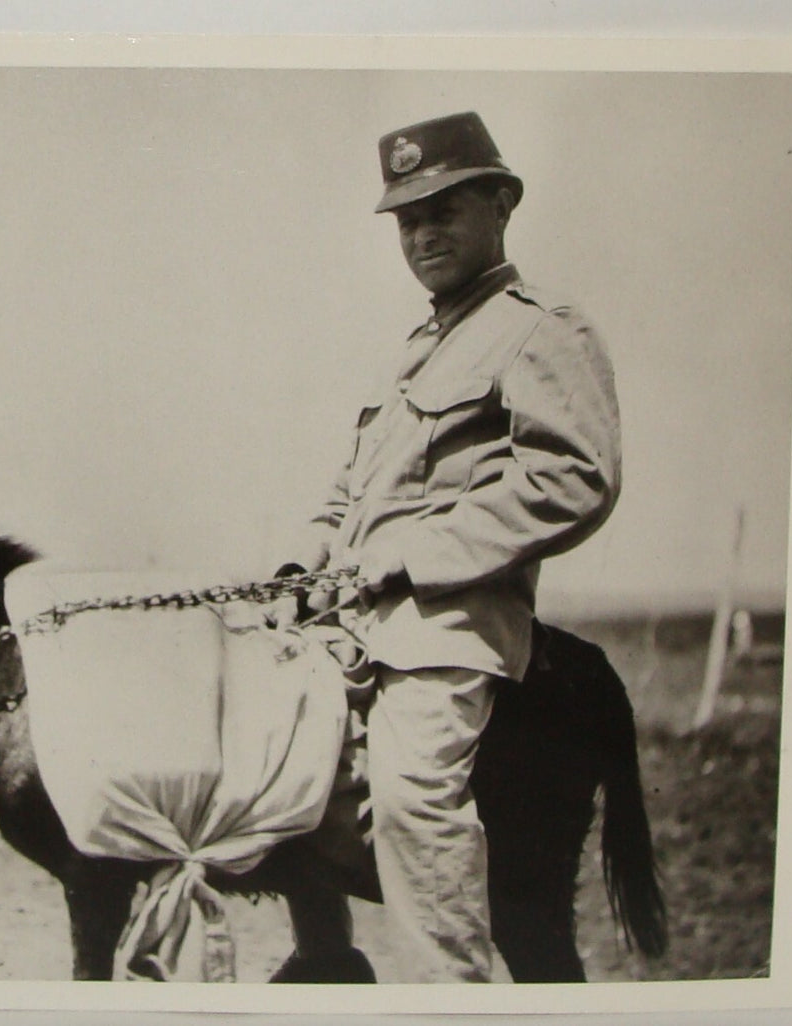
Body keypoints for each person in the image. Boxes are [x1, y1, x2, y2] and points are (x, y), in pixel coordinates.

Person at [276, 111, 622, 983]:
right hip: (346, 621)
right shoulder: (416, 351)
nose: (423, 235)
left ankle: (450, 996)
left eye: (444, 211)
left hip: (446, 626)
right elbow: (351, 491)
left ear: (501, 204)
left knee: (410, 806)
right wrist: (306, 558)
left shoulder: (539, 329)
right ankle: (325, 967)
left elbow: (574, 476)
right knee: (264, 774)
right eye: (407, 220)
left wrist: (414, 553)